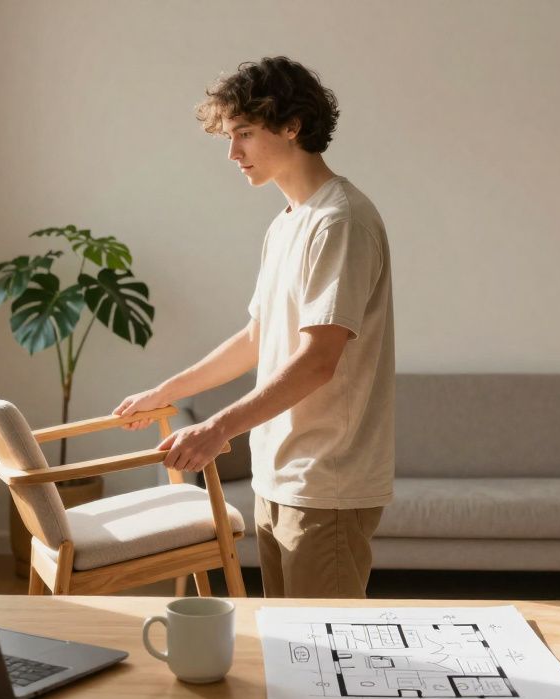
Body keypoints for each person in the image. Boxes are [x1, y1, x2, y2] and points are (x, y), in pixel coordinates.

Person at [113, 56, 395, 599]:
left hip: (325, 480)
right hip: (278, 473)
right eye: (229, 135)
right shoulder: (287, 222)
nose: (232, 152)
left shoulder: (340, 222)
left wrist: (218, 427)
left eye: (244, 133)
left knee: (324, 653)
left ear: (292, 126)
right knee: (289, 648)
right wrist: (164, 392)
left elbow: (319, 359)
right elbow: (256, 338)